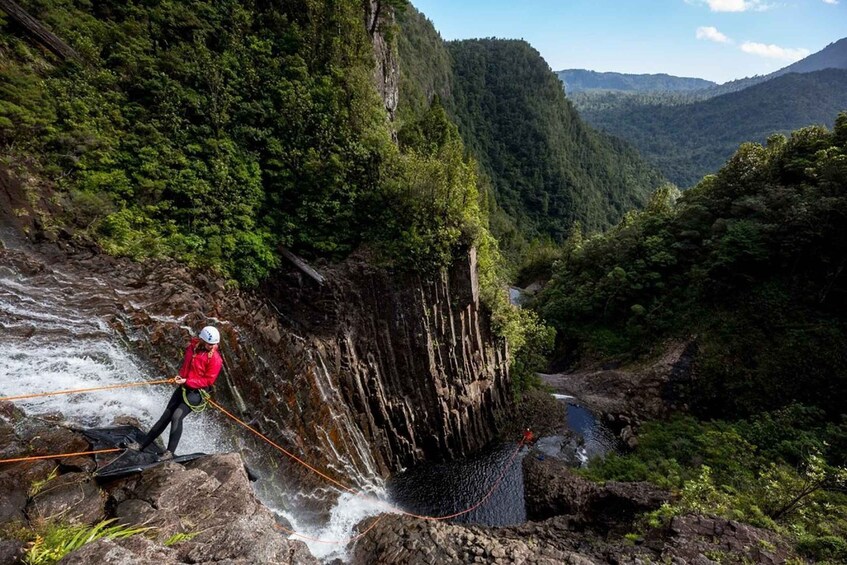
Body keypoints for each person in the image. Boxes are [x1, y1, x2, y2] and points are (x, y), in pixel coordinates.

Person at [125, 325, 223, 461]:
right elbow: (187, 365)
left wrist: (187, 381)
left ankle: (169, 452)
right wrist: (181, 377)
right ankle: (141, 445)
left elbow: (208, 380)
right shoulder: (193, 347)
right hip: (184, 386)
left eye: (213, 344)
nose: (211, 346)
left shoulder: (215, 359)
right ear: (202, 340)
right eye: (209, 344)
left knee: (177, 416)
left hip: (197, 392)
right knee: (166, 416)